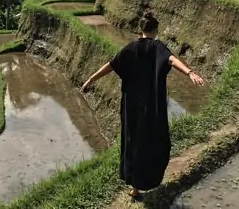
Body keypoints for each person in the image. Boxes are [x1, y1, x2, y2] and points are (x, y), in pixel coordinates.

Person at [81, 10, 205, 199]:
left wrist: (91, 79)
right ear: (155, 30)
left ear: (141, 30)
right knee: (155, 141)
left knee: (133, 143)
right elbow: (172, 60)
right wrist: (189, 72)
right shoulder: (157, 46)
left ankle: (135, 187)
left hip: (131, 106)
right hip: (152, 107)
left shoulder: (130, 48)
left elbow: (111, 65)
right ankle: (149, 180)